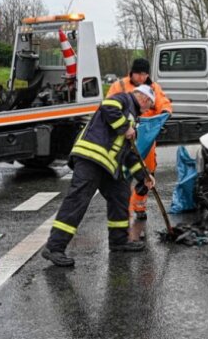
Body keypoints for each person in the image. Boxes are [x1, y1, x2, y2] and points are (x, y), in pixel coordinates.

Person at [42, 85, 156, 267]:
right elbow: (108, 106)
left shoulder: (133, 119)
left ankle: (118, 241)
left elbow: (130, 154)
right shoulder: (124, 99)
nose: (148, 110)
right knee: (78, 200)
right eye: (149, 105)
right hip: (91, 158)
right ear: (144, 98)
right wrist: (125, 127)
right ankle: (54, 247)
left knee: (120, 194)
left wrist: (144, 176)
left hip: (108, 166)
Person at [107, 58, 172, 241]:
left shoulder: (153, 87)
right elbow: (108, 108)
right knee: (125, 174)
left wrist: (166, 112)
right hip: (125, 136)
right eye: (139, 74)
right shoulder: (119, 86)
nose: (142, 77)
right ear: (132, 72)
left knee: (147, 172)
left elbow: (162, 102)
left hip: (146, 137)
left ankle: (140, 207)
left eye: (145, 74)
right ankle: (124, 212)